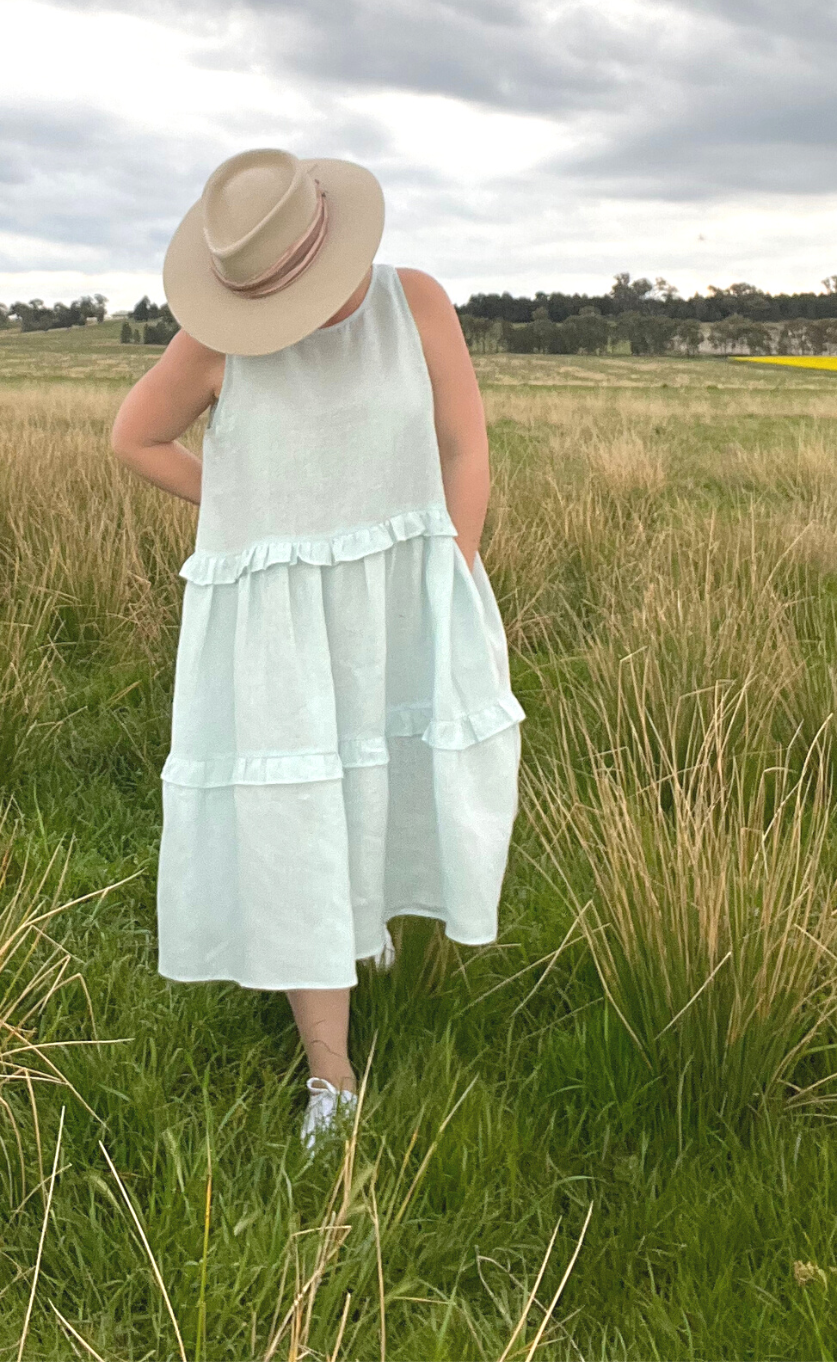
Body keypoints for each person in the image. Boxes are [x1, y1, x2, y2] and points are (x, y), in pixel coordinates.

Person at [111, 148, 525, 1155]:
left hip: (405, 597)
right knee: (299, 810)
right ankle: (330, 1077)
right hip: (283, 624)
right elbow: (136, 437)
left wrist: (454, 558)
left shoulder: (414, 304)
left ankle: (371, 934)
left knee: (393, 775)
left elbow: (464, 444)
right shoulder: (216, 343)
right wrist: (257, 517)